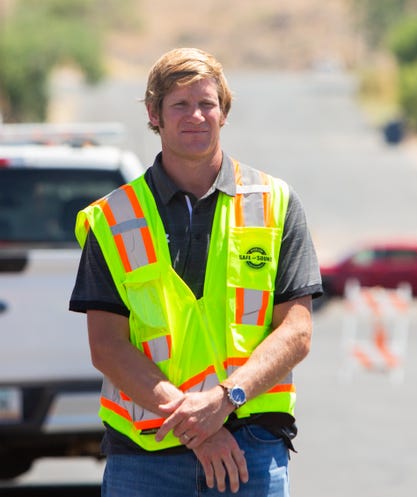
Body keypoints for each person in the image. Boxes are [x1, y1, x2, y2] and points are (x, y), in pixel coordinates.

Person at [69, 47, 323, 496]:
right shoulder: (111, 219)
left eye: (207, 103)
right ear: (154, 113)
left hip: (253, 450)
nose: (196, 116)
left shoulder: (277, 203)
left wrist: (225, 400)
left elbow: (297, 330)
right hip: (145, 458)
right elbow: (107, 346)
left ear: (224, 111)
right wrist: (199, 426)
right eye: (179, 105)